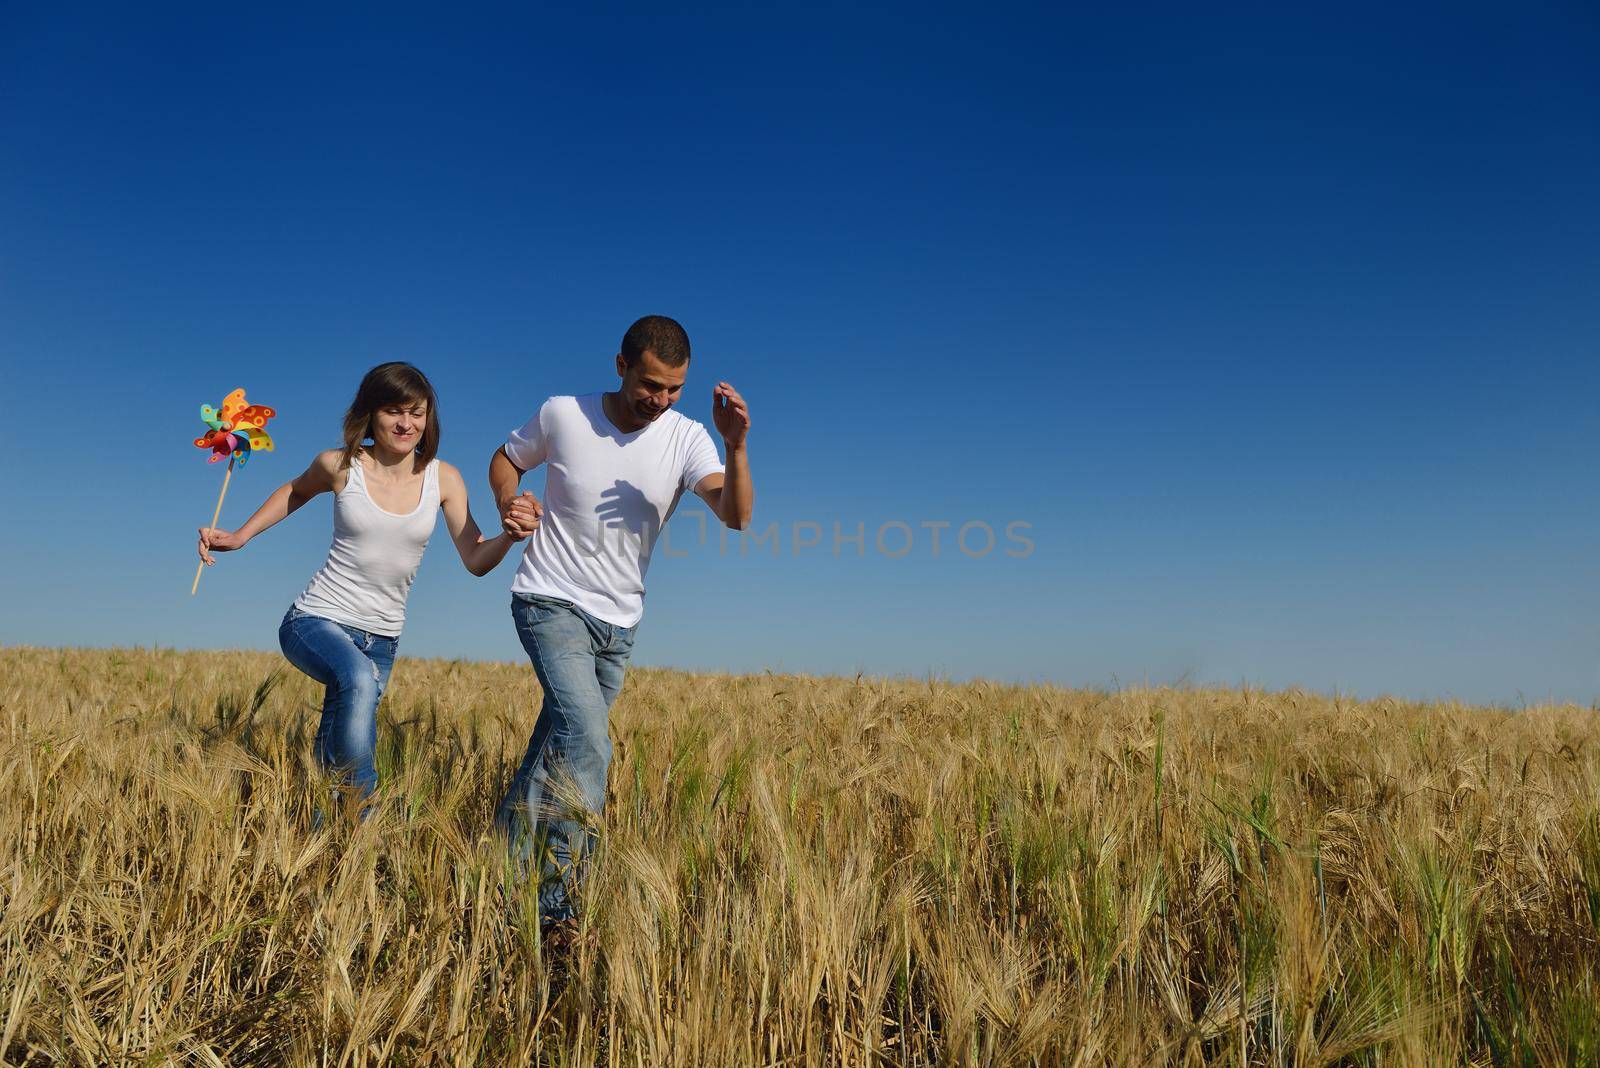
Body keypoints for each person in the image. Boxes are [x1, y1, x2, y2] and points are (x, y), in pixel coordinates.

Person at [491, 314, 753, 928]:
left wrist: (737, 445)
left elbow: (736, 515)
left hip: (619, 624)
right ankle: (558, 912)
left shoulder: (688, 437)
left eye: (673, 390)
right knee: (588, 741)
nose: (659, 401)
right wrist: (512, 503)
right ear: (621, 366)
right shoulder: (563, 413)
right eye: (650, 386)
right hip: (549, 598)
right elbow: (506, 460)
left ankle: (497, 867)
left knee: (556, 745)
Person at [197, 362, 518, 810]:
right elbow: (295, 491)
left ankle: (324, 844)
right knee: (358, 683)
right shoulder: (340, 465)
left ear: (429, 419)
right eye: (392, 411)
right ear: (370, 414)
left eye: (417, 412)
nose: (406, 423)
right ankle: (365, 815)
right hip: (316, 619)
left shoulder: (444, 479)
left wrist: (509, 537)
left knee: (332, 753)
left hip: (382, 639)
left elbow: (475, 559)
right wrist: (240, 535)